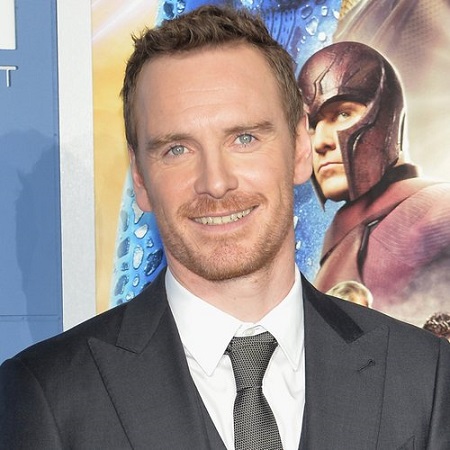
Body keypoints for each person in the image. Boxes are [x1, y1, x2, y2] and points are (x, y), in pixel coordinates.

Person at [1, 7, 449, 449]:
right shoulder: (51, 397)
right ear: (140, 176)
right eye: (177, 149)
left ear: (300, 149)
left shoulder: (424, 377)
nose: (215, 183)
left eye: (244, 138)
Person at [297, 41, 450, 323]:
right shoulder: (339, 240)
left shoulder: (439, 209)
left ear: (387, 113)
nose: (320, 142)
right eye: (313, 126)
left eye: (342, 114)